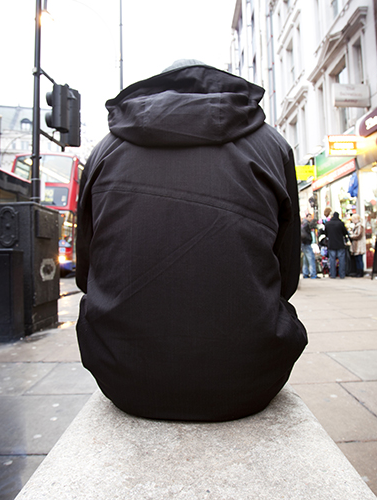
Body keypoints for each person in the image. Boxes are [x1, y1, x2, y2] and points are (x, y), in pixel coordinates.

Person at [74, 60, 308, 422]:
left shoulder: (104, 151)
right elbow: (288, 275)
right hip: (250, 378)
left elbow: (85, 272)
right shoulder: (273, 146)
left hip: (122, 376)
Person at [324, 211, 348, 279]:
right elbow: (345, 233)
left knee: (332, 260)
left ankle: (333, 274)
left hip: (331, 244)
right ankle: (342, 274)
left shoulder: (328, 224)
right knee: (341, 260)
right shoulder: (341, 223)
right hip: (340, 244)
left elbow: (326, 233)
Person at [300, 213, 318, 279]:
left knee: (305, 259)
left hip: (303, 243)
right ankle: (313, 274)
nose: (311, 218)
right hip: (306, 243)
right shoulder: (306, 224)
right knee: (311, 258)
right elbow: (304, 234)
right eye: (310, 217)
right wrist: (309, 239)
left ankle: (305, 273)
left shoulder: (303, 223)